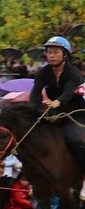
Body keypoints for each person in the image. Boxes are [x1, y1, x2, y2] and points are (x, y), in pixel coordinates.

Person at [28, 36, 85, 199]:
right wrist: (32, 111)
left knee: (75, 140)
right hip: (55, 114)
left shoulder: (74, 74)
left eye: (55, 52)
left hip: (76, 115)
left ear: (65, 54)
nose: (51, 55)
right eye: (49, 52)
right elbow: (35, 93)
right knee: (37, 138)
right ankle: (37, 181)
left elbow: (68, 93)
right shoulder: (43, 73)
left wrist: (57, 102)